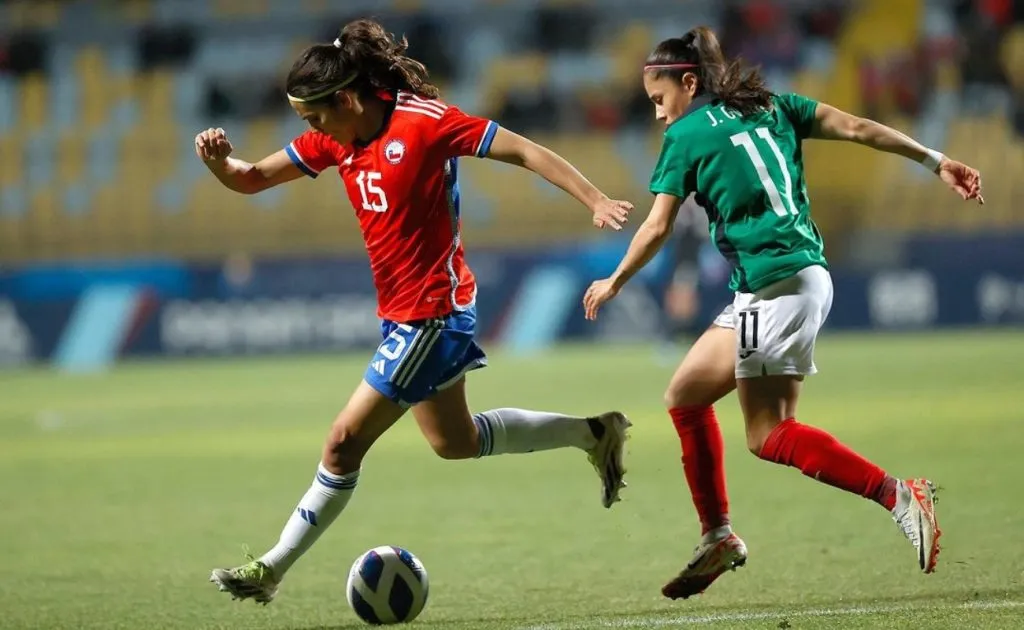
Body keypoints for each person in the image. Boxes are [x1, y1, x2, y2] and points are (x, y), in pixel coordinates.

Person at [197, 19, 634, 604]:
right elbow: (251, 180)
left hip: (432, 313)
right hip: (404, 314)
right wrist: (220, 165)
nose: (310, 130)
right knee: (454, 441)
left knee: (342, 443)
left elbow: (525, 150)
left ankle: (270, 569)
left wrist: (595, 199)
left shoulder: (425, 124)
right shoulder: (335, 138)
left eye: (314, 117)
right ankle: (594, 433)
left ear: (346, 99)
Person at [583, 26, 983, 600]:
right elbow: (858, 128)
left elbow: (657, 225)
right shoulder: (774, 105)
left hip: (775, 287)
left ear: (689, 83)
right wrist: (935, 159)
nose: (658, 113)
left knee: (768, 433)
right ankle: (717, 536)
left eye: (659, 99)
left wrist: (615, 280)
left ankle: (897, 494)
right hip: (790, 279)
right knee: (686, 395)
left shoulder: (686, 136)